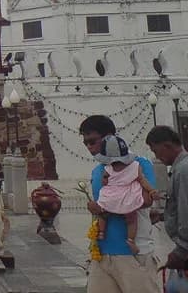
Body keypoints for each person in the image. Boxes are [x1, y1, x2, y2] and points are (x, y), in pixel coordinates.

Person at [79, 115, 160, 293]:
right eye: (86, 143)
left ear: (109, 137)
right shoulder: (98, 171)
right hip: (102, 254)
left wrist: (105, 206)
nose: (89, 148)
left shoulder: (139, 164)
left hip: (133, 253)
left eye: (92, 141)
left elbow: (146, 201)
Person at [93, 135, 157, 253]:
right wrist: (152, 190)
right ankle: (130, 240)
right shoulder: (136, 166)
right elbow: (142, 180)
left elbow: (104, 180)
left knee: (102, 212)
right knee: (131, 220)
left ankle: (101, 232)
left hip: (111, 196)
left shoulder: (107, 168)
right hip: (128, 198)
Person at [145, 125, 188, 291]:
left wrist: (182, 251)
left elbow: (186, 213)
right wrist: (163, 216)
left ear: (167, 146)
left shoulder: (183, 170)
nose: (157, 157)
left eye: (156, 151)